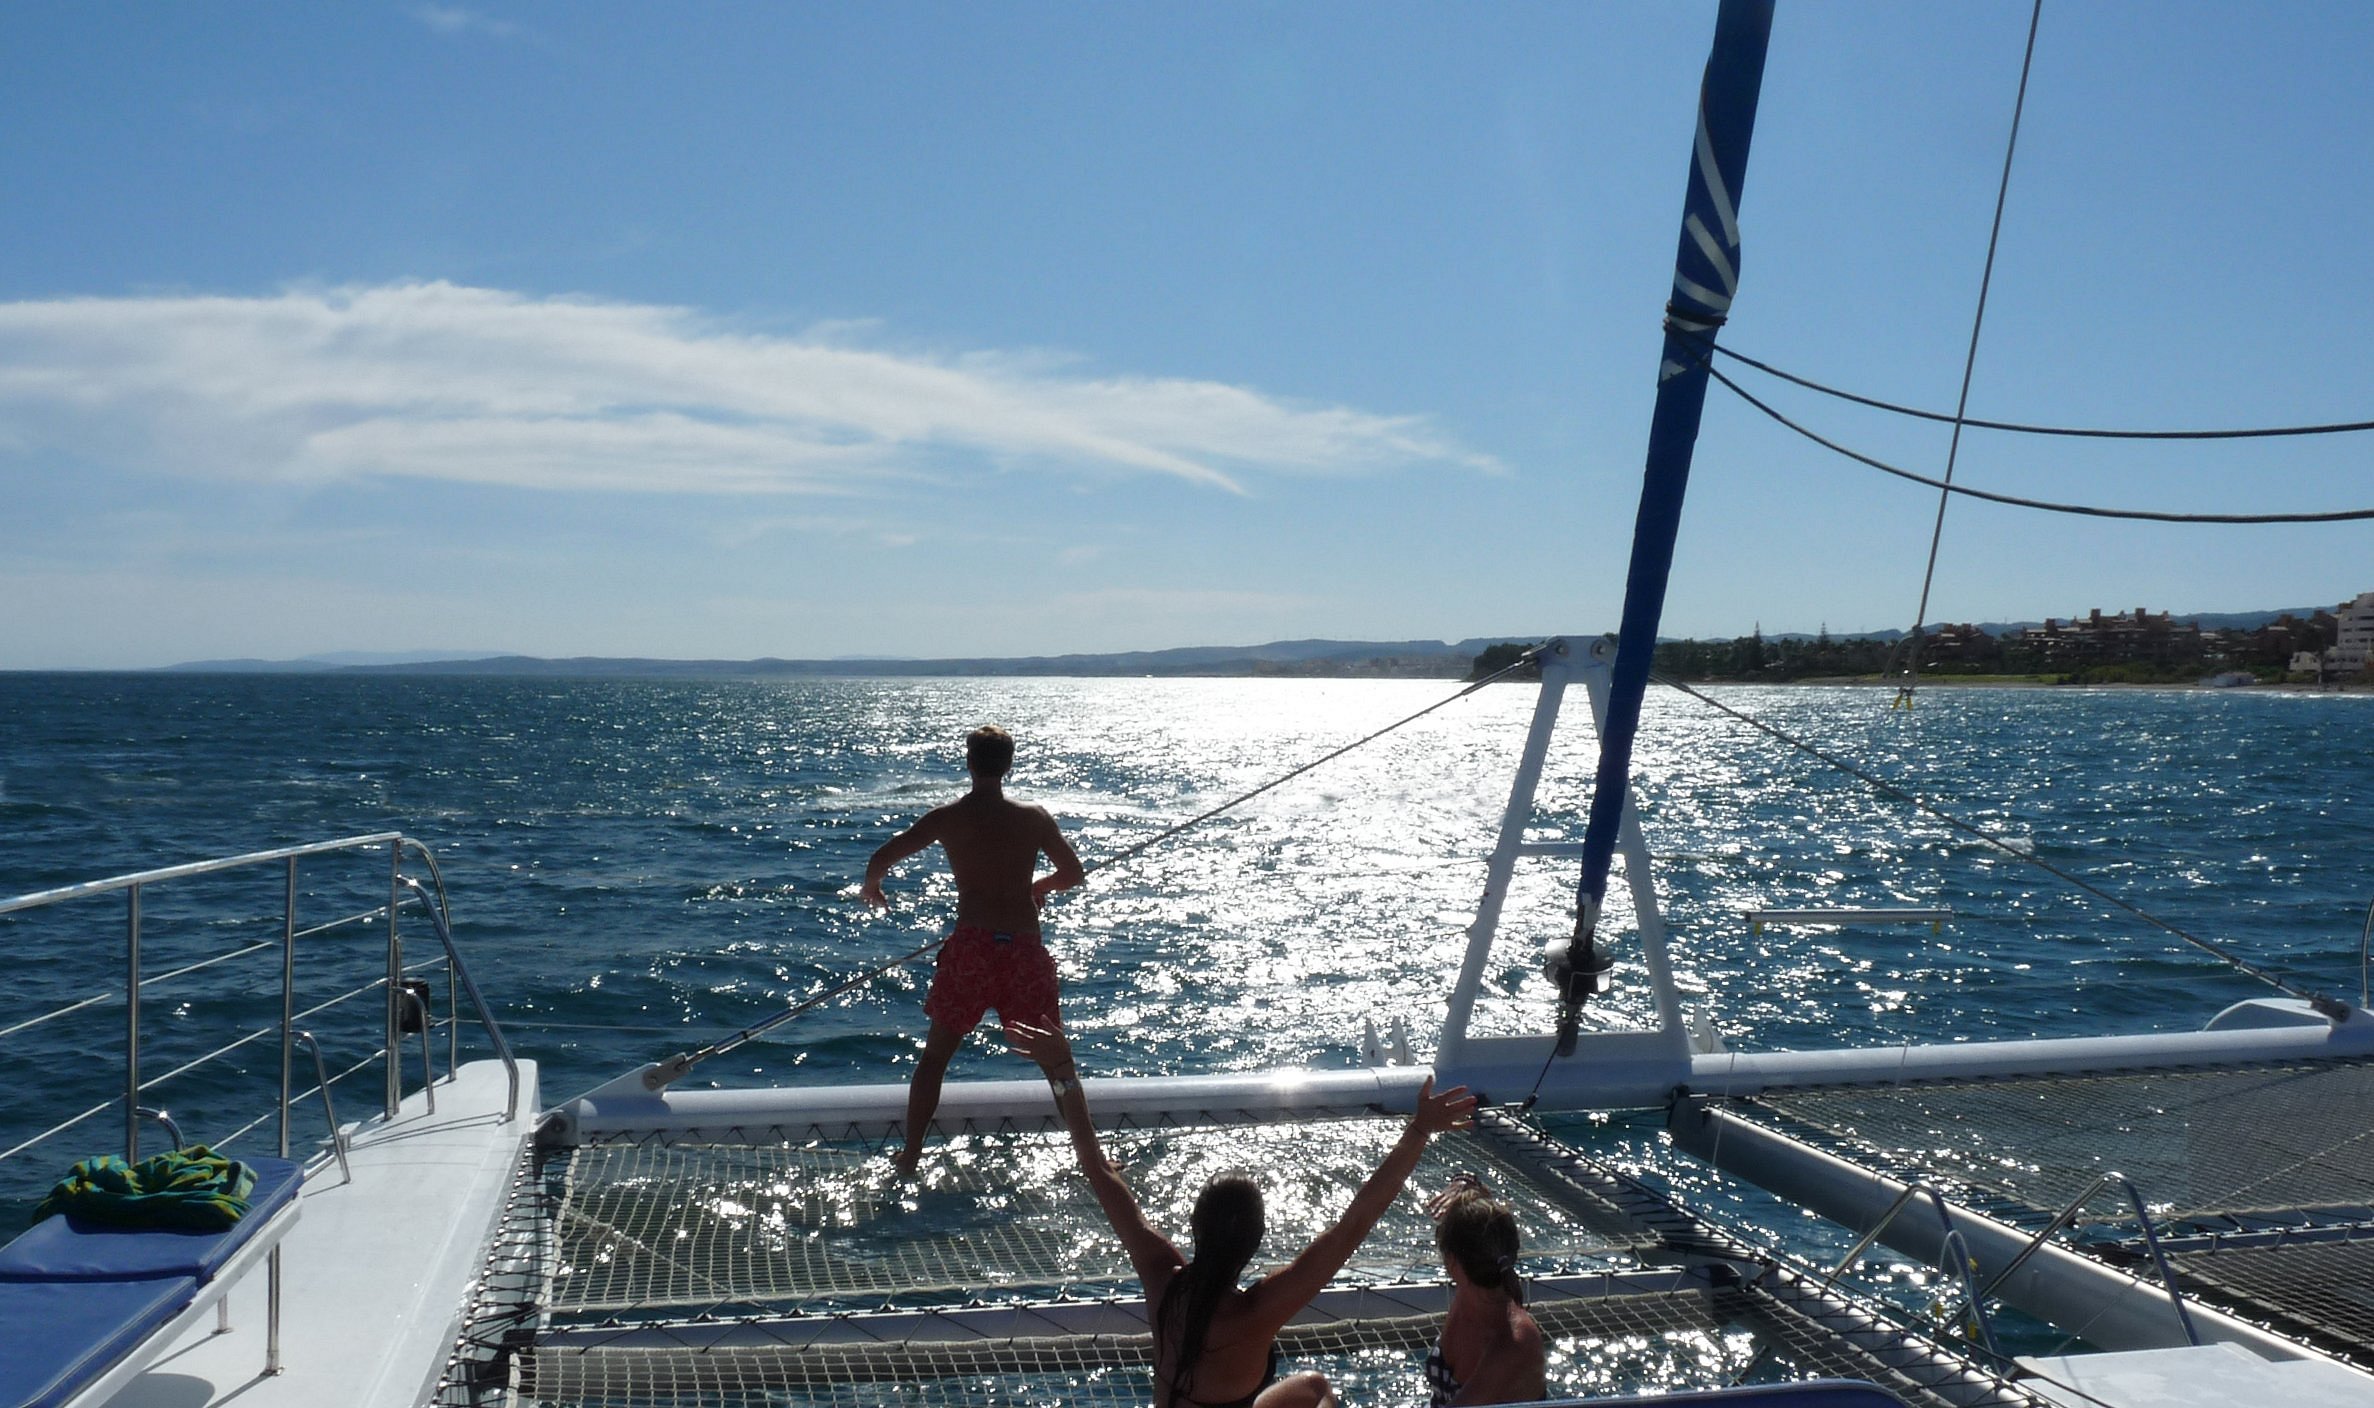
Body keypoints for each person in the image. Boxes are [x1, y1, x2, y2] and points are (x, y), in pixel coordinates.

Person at [1010, 1020, 1476, 1408]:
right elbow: (1353, 1225)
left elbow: (1097, 1169)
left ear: (1196, 1227)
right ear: (1255, 1242)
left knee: (1311, 1388)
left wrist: (1063, 1069)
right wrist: (1418, 1130)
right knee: (1319, 1392)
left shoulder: (1164, 1280)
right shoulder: (1258, 1309)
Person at [862, 725, 1085, 1176]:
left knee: (935, 1059)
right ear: (1008, 765)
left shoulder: (948, 817)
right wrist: (1039, 885)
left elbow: (883, 856)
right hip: (1023, 948)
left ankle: (910, 1157)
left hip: (972, 949)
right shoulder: (1035, 817)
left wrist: (873, 887)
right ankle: (1090, 1159)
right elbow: (1073, 872)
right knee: (1054, 1060)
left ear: (969, 763)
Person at [1421, 1173, 1546, 1406]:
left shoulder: (1513, 1346)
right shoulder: (1473, 1288)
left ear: (1452, 1262)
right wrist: (1466, 1183)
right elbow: (1484, 1226)